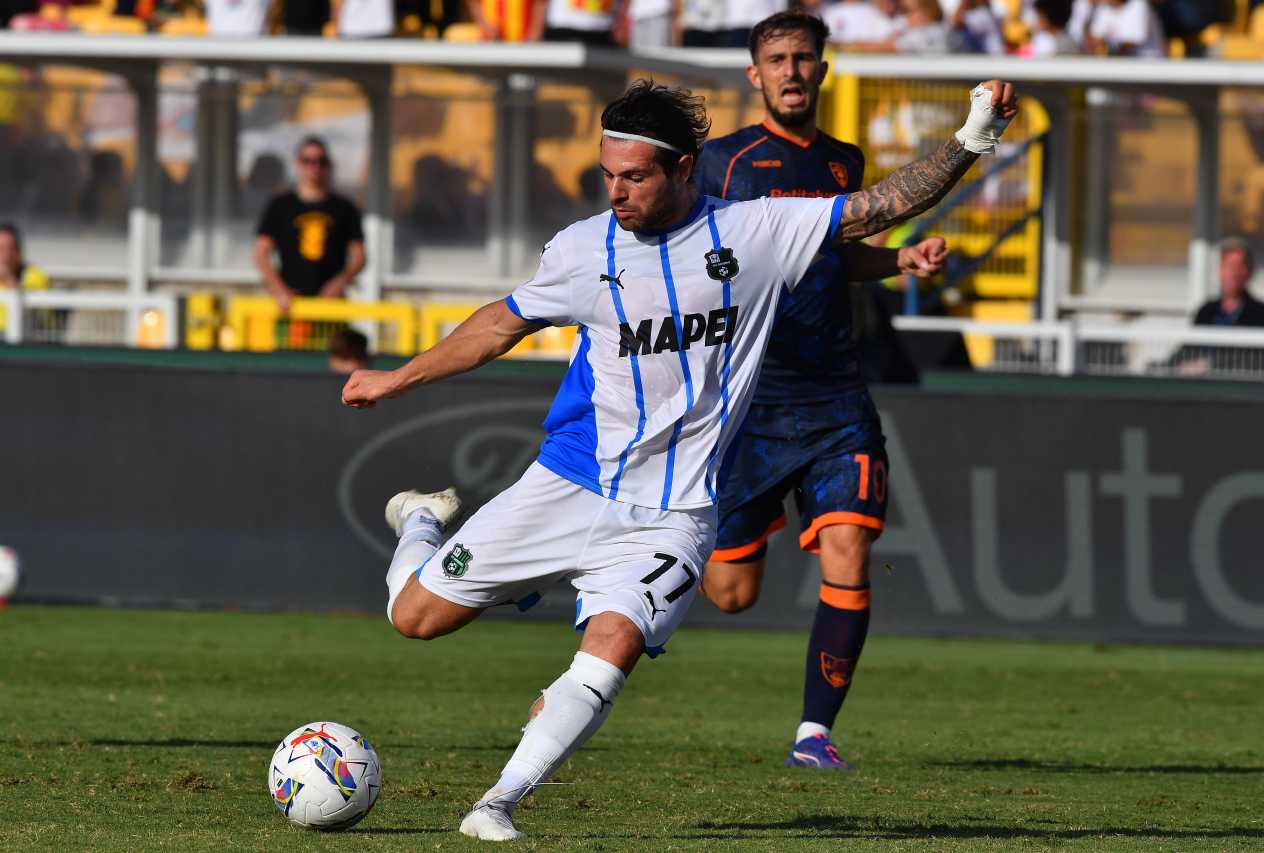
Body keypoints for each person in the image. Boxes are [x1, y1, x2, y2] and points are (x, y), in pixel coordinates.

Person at [340, 77, 1015, 840]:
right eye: (607, 175)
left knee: (611, 649)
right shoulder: (582, 249)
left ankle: (497, 802)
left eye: (635, 176)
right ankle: (420, 523)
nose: (617, 192)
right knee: (414, 617)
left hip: (675, 512)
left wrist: (974, 138)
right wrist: (395, 378)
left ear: (684, 168)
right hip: (570, 484)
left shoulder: (756, 232)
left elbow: (881, 205)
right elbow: (500, 324)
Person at [694, 10, 948, 771]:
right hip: (750, 403)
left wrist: (898, 260)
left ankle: (814, 734)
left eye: (804, 58)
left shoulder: (844, 161)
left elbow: (836, 254)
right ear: (755, 74)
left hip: (837, 400)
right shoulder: (722, 164)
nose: (792, 71)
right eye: (777, 59)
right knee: (730, 593)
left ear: (822, 70)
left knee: (849, 548)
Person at [254, 137, 366, 312]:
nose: (315, 167)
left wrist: (340, 283)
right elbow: (261, 253)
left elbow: (359, 256)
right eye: (307, 161)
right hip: (290, 306)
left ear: (329, 165)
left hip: (331, 307)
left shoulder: (345, 208)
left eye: (321, 161)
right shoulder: (280, 205)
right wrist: (279, 289)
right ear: (298, 164)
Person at [1193, 238, 1264, 329]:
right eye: (1229, 266)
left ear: (1249, 272)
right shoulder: (1205, 313)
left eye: (1239, 266)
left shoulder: (1263, 314)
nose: (1234, 273)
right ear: (1220, 271)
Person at [1087, 0, 1165, 57]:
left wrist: (1108, 49)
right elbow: (1094, 38)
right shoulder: (1104, 7)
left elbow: (1132, 42)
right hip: (1119, 63)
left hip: (1148, 62)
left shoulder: (1138, 4)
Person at [0, 222, 48, 292]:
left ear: (19, 251)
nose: (6, 255)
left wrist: (9, 279)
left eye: (11, 249)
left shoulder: (34, 275)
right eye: (1, 249)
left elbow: (31, 298)